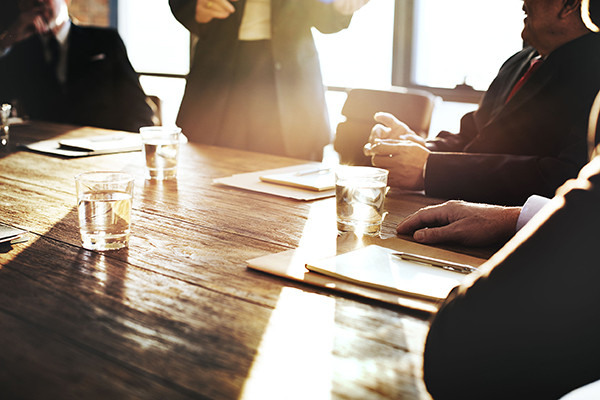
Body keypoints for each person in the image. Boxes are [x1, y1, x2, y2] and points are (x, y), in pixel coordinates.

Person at [366, 0, 600, 206]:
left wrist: (430, 169)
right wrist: (419, 148)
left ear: (570, 4)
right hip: (453, 211)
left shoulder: (593, 72)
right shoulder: (520, 61)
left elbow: (568, 174)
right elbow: (472, 137)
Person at [169, 0, 368, 160]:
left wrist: (339, 6)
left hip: (291, 81)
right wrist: (192, 6)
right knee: (209, 184)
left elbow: (323, 14)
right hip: (219, 76)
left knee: (292, 189)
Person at [0, 0, 155, 132]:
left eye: (46, 1)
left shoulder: (106, 41)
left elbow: (137, 108)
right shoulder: (19, 51)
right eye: (32, 2)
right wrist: (7, 42)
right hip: (39, 151)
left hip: (101, 146)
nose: (38, 7)